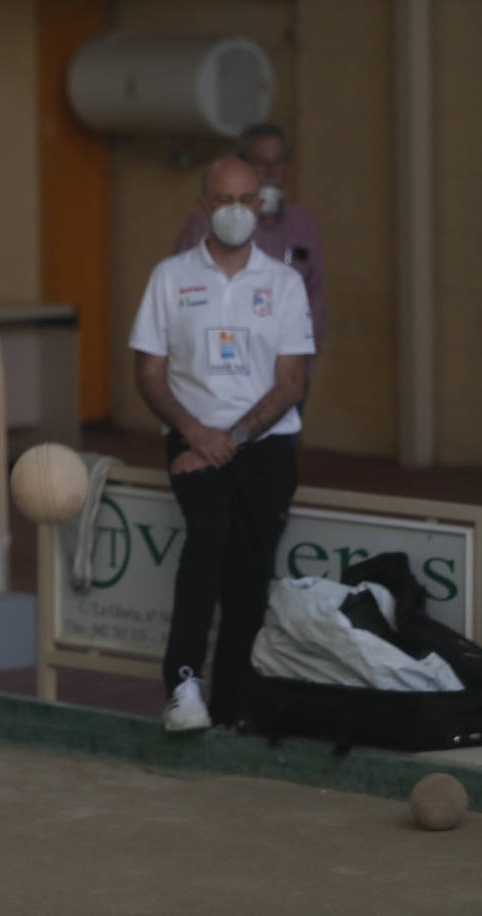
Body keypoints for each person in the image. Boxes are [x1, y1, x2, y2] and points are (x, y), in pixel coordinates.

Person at [130, 156, 316, 732]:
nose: (234, 212)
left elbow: (291, 383)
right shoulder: (169, 277)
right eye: (222, 200)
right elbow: (149, 373)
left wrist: (230, 439)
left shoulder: (284, 284)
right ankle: (183, 685)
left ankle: (234, 706)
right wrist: (194, 433)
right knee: (206, 543)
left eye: (244, 200)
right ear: (203, 206)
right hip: (191, 437)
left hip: (263, 446)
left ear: (259, 206)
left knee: (249, 574)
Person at [173, 123, 325, 394]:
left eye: (279, 161)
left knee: (283, 435)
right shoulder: (205, 224)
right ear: (241, 166)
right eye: (260, 162)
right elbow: (181, 295)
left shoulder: (303, 225)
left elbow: (314, 299)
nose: (271, 172)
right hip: (218, 379)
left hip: (285, 376)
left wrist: (305, 362)